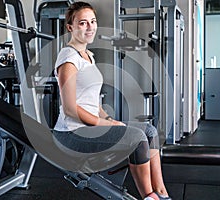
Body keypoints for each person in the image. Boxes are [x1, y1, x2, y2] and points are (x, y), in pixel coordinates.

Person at [53, 2, 171, 200]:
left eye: (93, 21)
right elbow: (71, 109)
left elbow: (92, 102)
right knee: (136, 138)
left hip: (88, 127)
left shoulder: (88, 56)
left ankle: (161, 193)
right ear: (70, 27)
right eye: (83, 23)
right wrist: (108, 124)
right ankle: (149, 196)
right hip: (71, 133)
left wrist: (108, 118)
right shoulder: (68, 58)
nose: (90, 27)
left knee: (149, 131)